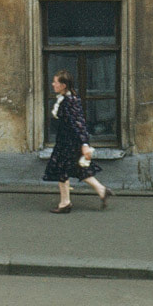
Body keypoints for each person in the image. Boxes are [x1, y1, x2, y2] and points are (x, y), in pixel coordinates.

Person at [43, 72, 111, 213]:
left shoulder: (69, 101)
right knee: (78, 168)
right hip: (66, 140)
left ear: (63, 85)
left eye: (55, 82)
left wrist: (84, 144)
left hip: (69, 142)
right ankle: (102, 190)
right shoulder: (66, 98)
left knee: (61, 169)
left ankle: (65, 203)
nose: (52, 84)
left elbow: (78, 123)